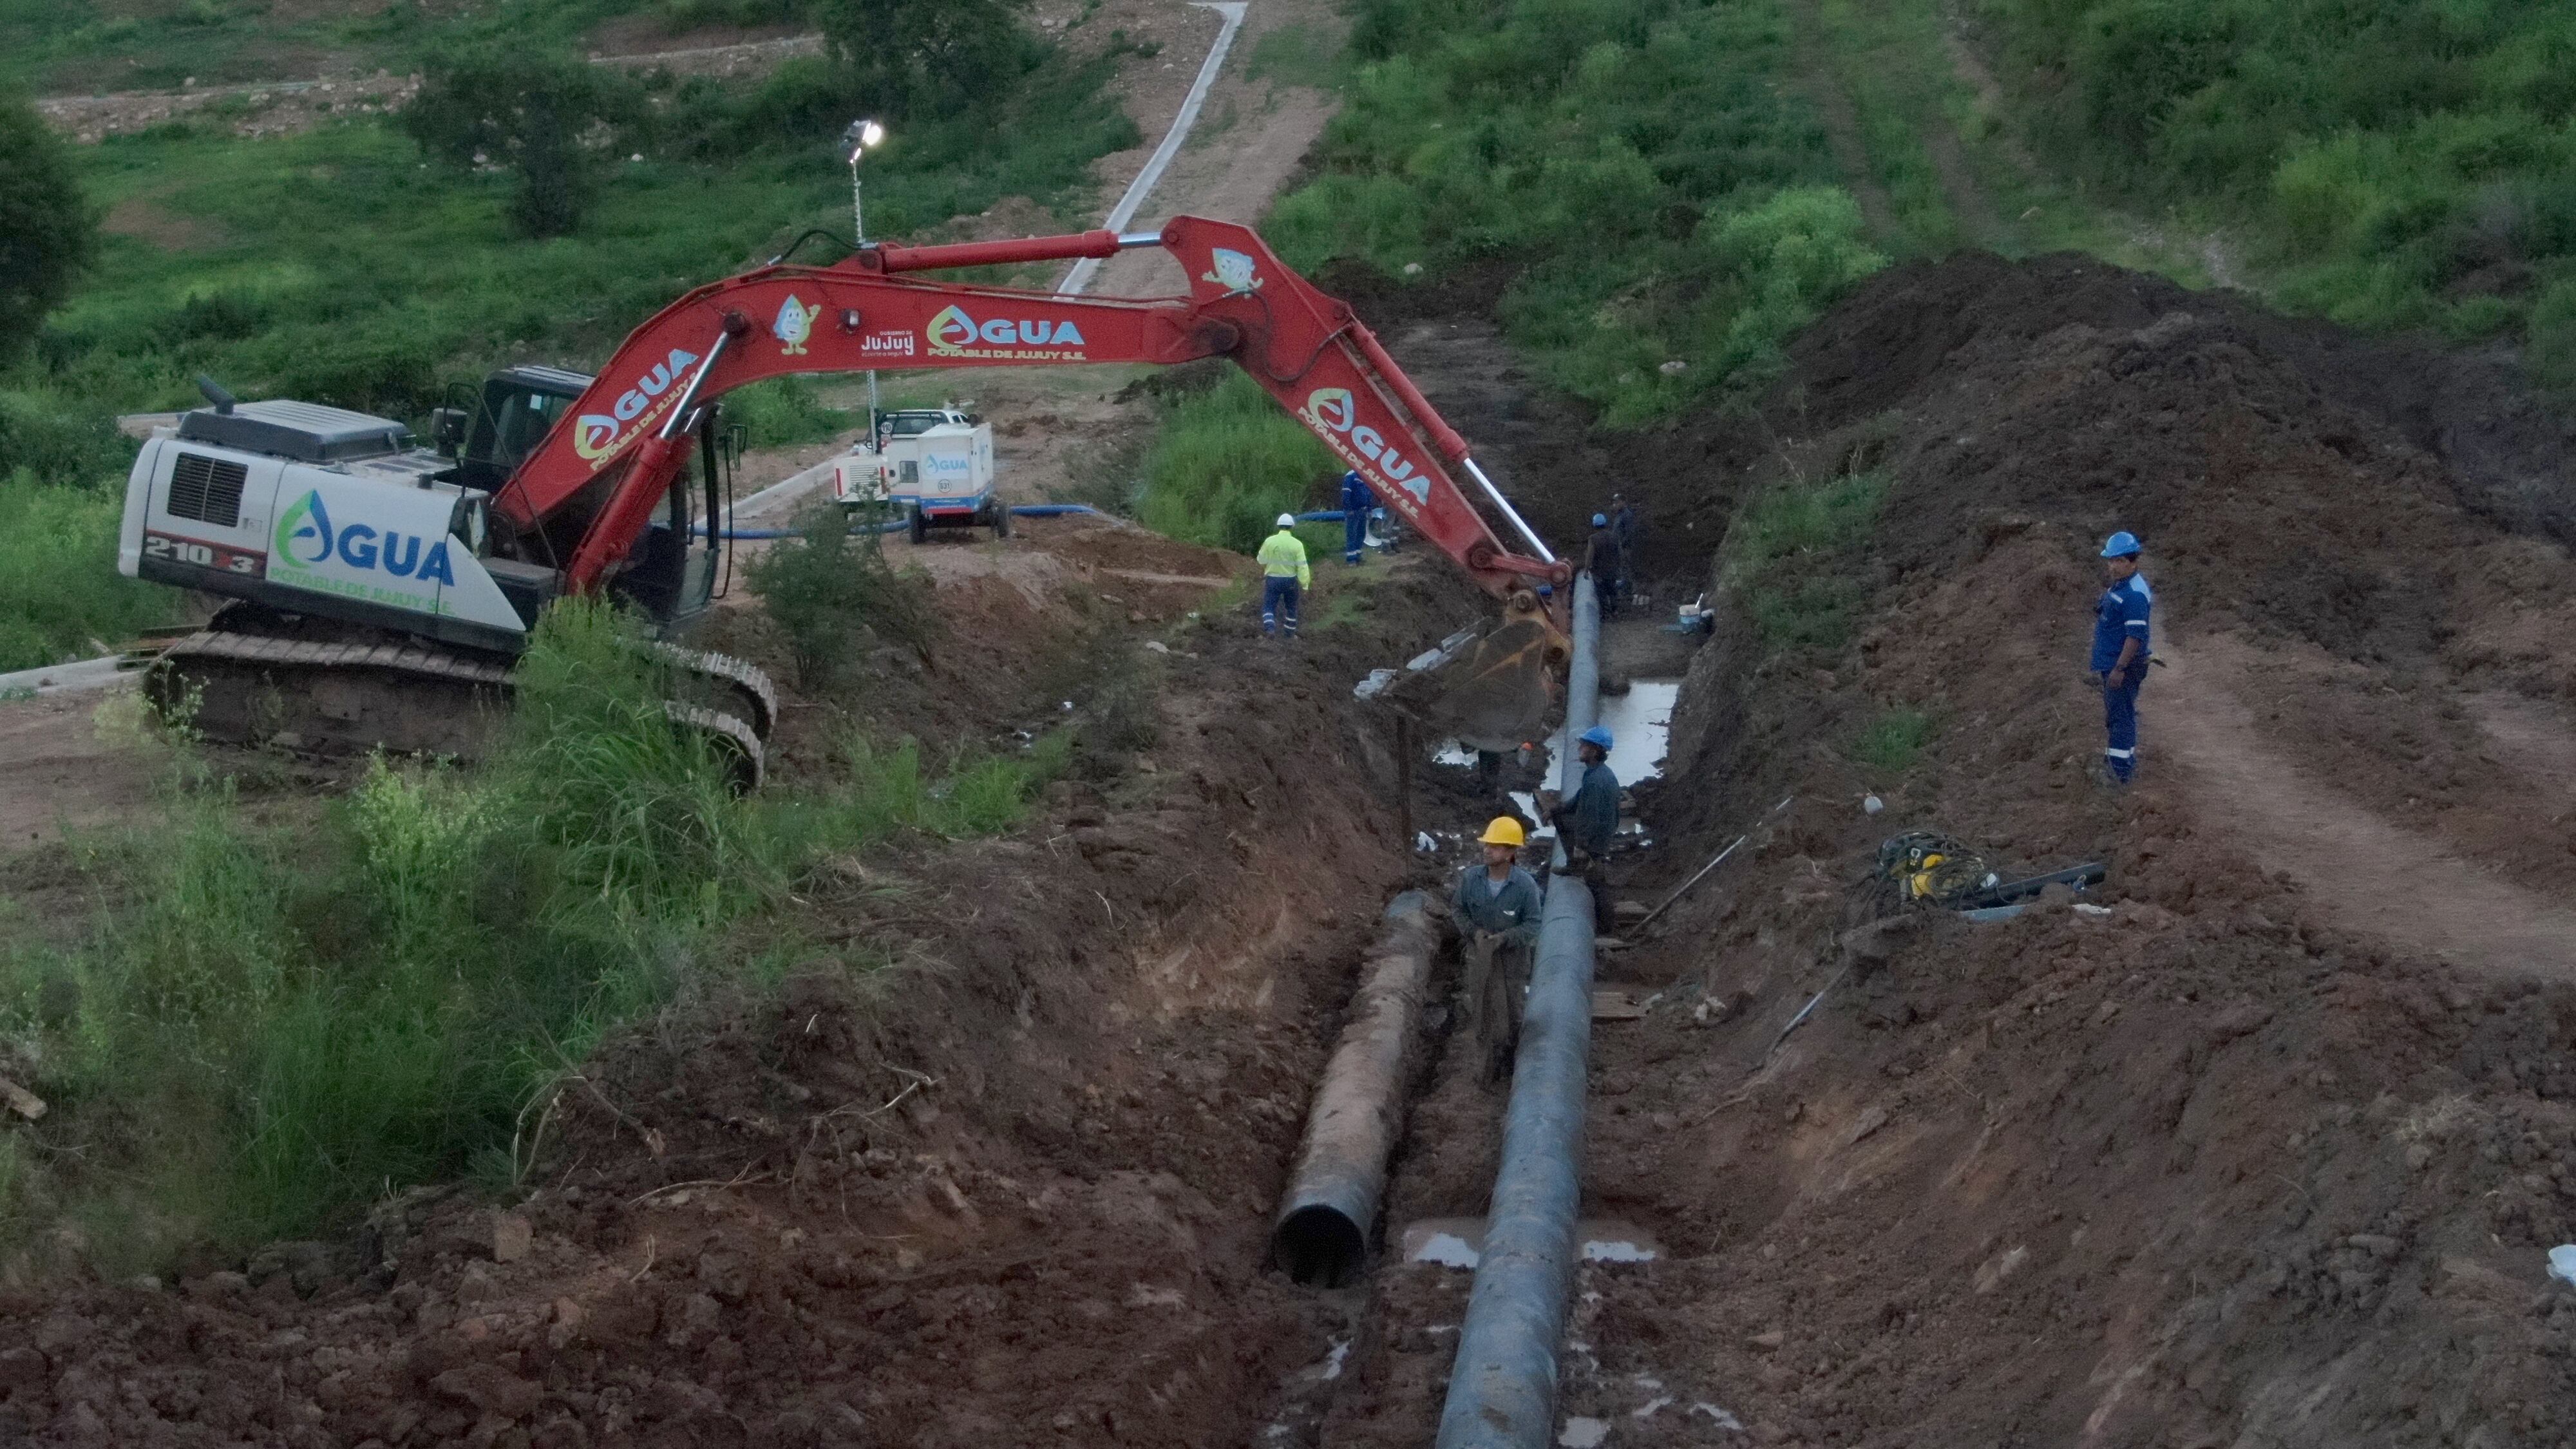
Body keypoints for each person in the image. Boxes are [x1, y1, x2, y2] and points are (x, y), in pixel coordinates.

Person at [1454, 817, 1542, 1082]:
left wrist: (1506, 938)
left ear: (1511, 853)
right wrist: (1474, 932)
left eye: (1495, 846)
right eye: (1487, 844)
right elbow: (1458, 910)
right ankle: (1487, 1066)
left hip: (1512, 962)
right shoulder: (1471, 880)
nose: (1487, 850)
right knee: (1481, 1010)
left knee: (1513, 1012)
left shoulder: (1524, 886)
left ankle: (1514, 1065)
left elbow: (1534, 924)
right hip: (1481, 959)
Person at [2088, 531, 2153, 786]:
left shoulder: (2135, 593)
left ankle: (2120, 773)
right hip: (2113, 662)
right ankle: (2120, 763)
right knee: (2117, 715)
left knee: (2121, 717)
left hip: (2123, 666)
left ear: (2132, 561)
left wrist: (2120, 668)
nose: (2112, 566)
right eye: (2110, 560)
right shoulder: (2123, 584)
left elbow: (2135, 636)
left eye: (2117, 561)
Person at [1551, 724, 1620, 881]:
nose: (1579, 748)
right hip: (1604, 831)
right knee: (1559, 814)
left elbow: (1590, 815)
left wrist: (1581, 845)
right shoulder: (1599, 772)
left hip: (1598, 838)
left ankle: (1578, 866)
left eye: (1584, 745)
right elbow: (1579, 798)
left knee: (1562, 819)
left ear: (1594, 751)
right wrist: (1559, 808)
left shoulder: (1595, 780)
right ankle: (1582, 864)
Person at [1256, 513, 1311, 638]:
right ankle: (1289, 634)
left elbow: (1261, 560)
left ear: (1278, 526)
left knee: (1269, 606)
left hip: (1272, 580)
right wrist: (1305, 585)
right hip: (1290, 581)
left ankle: (1270, 629)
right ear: (1292, 527)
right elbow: (1302, 566)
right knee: (1291, 607)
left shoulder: (1269, 541)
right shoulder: (1297, 544)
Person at [1583, 513, 1623, 618]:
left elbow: (1590, 555)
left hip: (1599, 571)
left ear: (1594, 525)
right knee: (1612, 591)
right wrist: (1619, 567)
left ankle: (1605, 614)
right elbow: (1619, 553)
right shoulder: (1614, 536)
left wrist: (1586, 570)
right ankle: (1615, 611)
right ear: (1605, 523)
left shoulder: (1593, 538)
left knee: (1602, 593)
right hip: (1612, 570)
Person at [1339, 469, 1375, 565]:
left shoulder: (1365, 475)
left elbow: (1369, 494)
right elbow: (1346, 494)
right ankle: (1351, 559)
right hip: (1353, 511)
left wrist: (1370, 509)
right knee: (1352, 534)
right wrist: (1349, 509)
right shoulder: (1351, 476)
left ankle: (1358, 555)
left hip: (1363, 510)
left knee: (1361, 533)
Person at [1609, 494, 1639, 605]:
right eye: (1614, 503)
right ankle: (1625, 592)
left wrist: (1622, 545)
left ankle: (1628, 594)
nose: (1614, 505)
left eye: (1616, 502)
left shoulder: (1627, 515)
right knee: (1622, 570)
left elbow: (1630, 532)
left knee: (1625, 570)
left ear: (1623, 502)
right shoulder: (1619, 515)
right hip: (1619, 548)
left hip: (1625, 549)